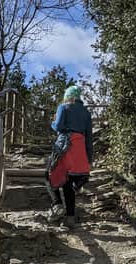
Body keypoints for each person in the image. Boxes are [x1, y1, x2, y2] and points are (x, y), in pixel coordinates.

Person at [46, 85, 92, 228]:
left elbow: (59, 127)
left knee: (48, 174)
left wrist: (53, 123)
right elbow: (89, 138)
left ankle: (57, 204)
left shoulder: (64, 107)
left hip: (65, 146)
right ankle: (70, 217)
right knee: (69, 183)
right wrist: (89, 159)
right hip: (79, 149)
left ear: (68, 96)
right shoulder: (86, 112)